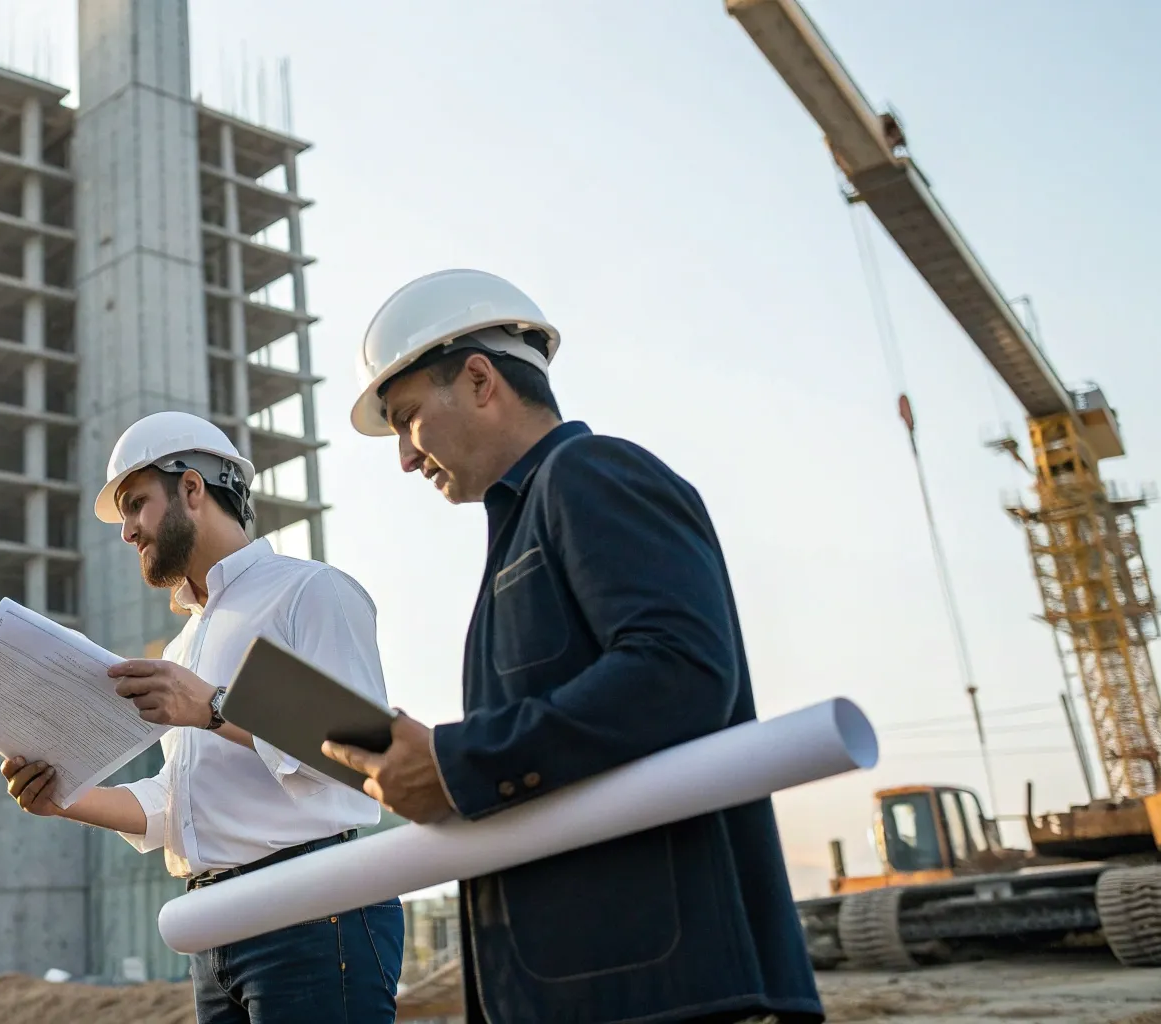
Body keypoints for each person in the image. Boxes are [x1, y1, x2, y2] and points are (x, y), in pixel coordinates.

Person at [322, 269, 824, 1024]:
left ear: (481, 380)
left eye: (407, 418)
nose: (404, 456)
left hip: (665, 988)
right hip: (589, 981)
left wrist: (458, 764)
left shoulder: (589, 475)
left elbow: (679, 672)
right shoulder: (525, 525)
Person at [0, 410, 403, 1023]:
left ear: (191, 487)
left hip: (316, 913)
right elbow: (178, 802)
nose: (128, 532)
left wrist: (213, 705)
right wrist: (65, 798)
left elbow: (363, 745)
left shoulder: (310, 591)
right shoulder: (185, 645)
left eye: (136, 505)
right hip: (214, 928)